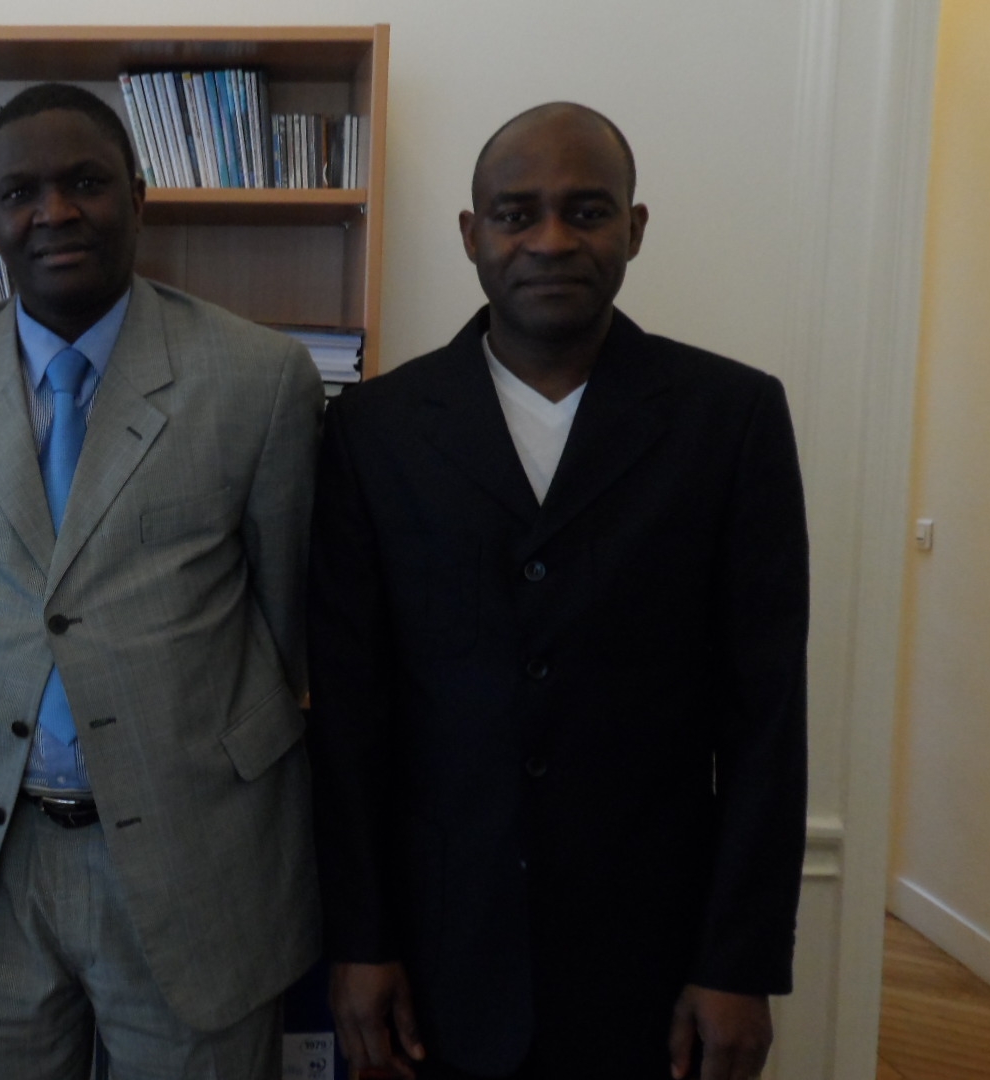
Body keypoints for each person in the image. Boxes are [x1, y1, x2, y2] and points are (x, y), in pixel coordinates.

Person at [307, 103, 808, 1080]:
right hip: (439, 956)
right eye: (514, 213)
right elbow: (351, 715)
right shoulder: (375, 430)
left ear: (635, 227)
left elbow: (765, 718)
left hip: (653, 962)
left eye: (587, 211)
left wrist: (739, 963)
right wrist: (358, 942)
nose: (550, 240)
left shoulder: (731, 419)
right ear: (470, 235)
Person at [0, 83, 325, 1079]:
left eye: (85, 184)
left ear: (139, 196)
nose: (54, 213)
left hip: (196, 857)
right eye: (20, 192)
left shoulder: (259, 378)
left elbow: (288, 618)